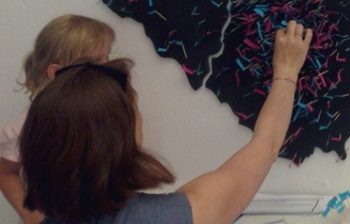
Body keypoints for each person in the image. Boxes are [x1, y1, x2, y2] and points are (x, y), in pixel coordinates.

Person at [20, 19, 312, 224]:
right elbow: (266, 144)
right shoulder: (171, 217)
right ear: (119, 138)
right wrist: (287, 72)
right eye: (135, 108)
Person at [1, 14, 116, 224]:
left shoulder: (105, 113)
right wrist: (30, 215)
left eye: (107, 57)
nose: (107, 68)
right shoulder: (26, 126)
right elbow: (5, 172)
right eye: (95, 62)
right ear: (56, 72)